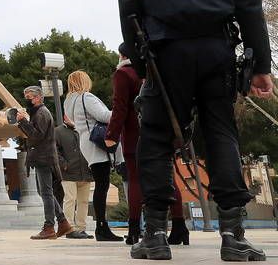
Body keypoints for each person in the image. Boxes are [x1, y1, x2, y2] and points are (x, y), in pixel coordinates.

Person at [118, 0, 273, 262]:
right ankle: (234, 234)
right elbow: (250, 6)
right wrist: (261, 67)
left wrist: (142, 71)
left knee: (155, 138)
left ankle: (155, 235)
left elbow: (128, 17)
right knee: (221, 133)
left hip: (165, 55)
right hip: (216, 50)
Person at [106, 44, 189, 247]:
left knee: (135, 180)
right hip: (162, 133)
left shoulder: (123, 75)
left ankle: (134, 229)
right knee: (170, 177)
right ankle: (179, 227)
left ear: (122, 55)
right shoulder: (155, 70)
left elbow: (120, 108)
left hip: (136, 135)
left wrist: (111, 135)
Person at [62, 70, 123, 242]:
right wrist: (122, 110)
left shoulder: (68, 101)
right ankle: (102, 227)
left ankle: (101, 227)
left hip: (86, 143)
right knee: (102, 186)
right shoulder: (86, 97)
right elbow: (103, 115)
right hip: (97, 142)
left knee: (101, 184)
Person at [18, 86, 72, 239]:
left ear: (38, 98)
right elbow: (34, 134)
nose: (27, 99)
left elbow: (36, 136)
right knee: (46, 192)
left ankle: (49, 227)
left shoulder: (41, 113)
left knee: (46, 193)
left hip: (44, 158)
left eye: (29, 96)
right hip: (43, 157)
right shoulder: (39, 113)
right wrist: (24, 122)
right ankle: (62, 222)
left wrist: (23, 122)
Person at [55, 113, 93, 239]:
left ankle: (81, 229)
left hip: (85, 172)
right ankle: (69, 228)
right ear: (65, 116)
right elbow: (55, 150)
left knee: (84, 201)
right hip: (68, 173)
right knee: (70, 199)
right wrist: (63, 164)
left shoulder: (84, 129)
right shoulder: (58, 132)